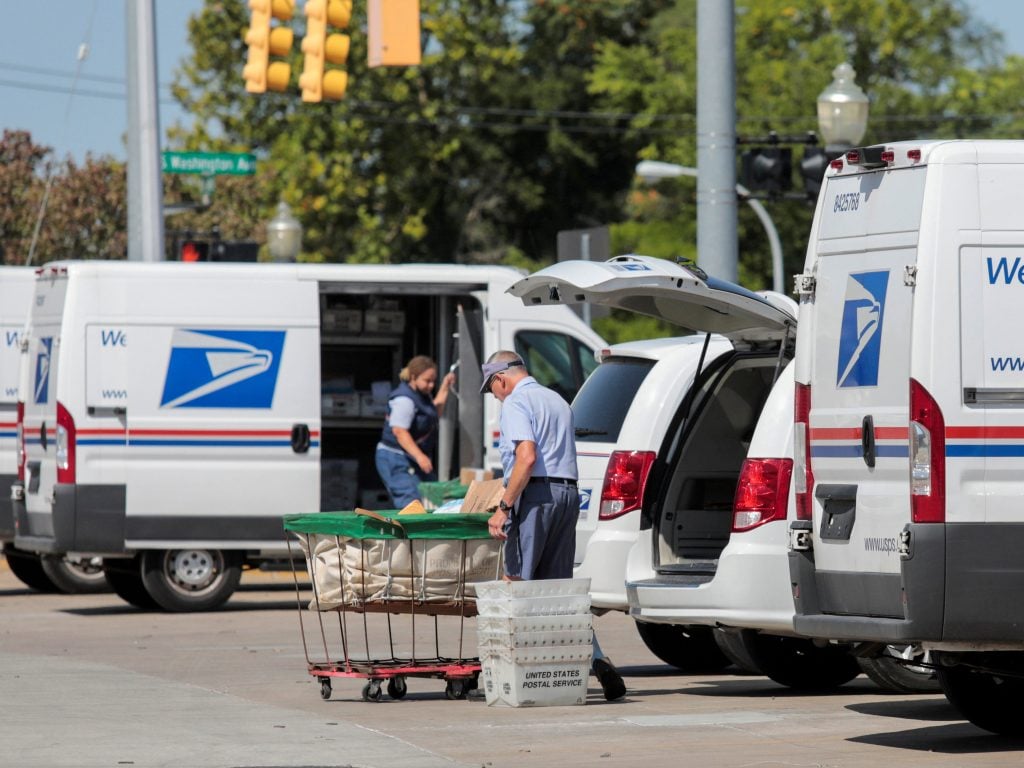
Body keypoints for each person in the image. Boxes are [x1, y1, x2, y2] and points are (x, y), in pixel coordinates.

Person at [481, 350, 626, 701]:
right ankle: (596, 659)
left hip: (536, 496)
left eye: (492, 389)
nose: (495, 396)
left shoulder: (516, 402)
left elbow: (526, 456)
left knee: (516, 583)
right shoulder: (558, 400)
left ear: (502, 378)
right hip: (567, 495)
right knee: (558, 592)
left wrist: (504, 506)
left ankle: (509, 674)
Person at [375, 355, 455, 509]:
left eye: (433, 381)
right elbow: (399, 431)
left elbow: (433, 412)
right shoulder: (404, 399)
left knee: (433, 495)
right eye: (427, 381)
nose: (431, 385)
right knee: (410, 501)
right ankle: (409, 532)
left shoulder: (422, 395)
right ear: (413, 377)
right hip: (395, 458)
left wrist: (445, 386)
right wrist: (420, 457)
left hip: (410, 458)